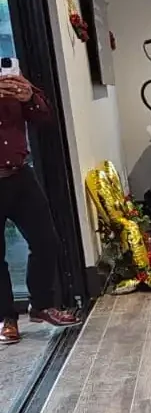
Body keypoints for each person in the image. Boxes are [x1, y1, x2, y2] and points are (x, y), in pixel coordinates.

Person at [0, 69, 82, 344]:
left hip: (20, 174)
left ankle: (42, 305)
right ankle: (6, 319)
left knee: (47, 242)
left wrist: (29, 97)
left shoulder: (11, 76)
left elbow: (43, 115)